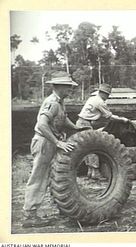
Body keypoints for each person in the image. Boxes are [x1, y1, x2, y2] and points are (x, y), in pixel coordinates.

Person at [23, 71, 88, 228]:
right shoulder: (52, 102)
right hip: (44, 142)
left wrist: (76, 128)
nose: (70, 90)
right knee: (39, 177)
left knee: (53, 175)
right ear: (59, 87)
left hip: (50, 141)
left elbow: (62, 118)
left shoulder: (60, 102)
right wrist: (57, 143)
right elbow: (42, 125)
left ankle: (57, 206)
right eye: (68, 87)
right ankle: (30, 214)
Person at [76, 83, 129, 179]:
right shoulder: (100, 102)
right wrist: (122, 119)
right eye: (107, 95)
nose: (107, 97)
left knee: (87, 148)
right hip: (85, 124)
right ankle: (95, 172)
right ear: (103, 94)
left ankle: (90, 171)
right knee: (93, 147)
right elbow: (109, 116)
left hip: (81, 123)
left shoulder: (92, 98)